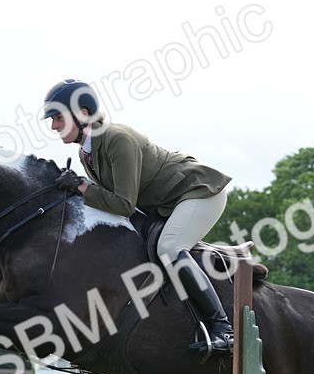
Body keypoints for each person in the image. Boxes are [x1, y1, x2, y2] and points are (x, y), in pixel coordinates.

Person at [42, 78, 235, 354]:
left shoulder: (115, 138)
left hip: (200, 192)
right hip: (167, 203)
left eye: (58, 117)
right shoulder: (86, 151)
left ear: (83, 113)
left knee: (169, 247)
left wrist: (82, 187)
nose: (53, 126)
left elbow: (122, 204)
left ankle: (222, 329)